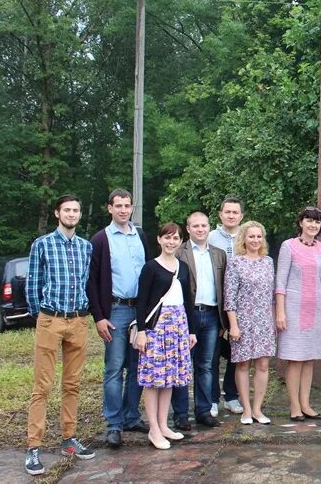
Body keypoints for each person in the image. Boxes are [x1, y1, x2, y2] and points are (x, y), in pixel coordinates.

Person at [25, 195, 95, 475]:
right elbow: (33, 283)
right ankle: (33, 448)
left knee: (73, 384)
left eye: (76, 210)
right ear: (57, 213)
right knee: (42, 385)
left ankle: (69, 438)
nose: (72, 214)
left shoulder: (85, 247)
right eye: (67, 209)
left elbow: (87, 281)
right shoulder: (42, 245)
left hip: (77, 320)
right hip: (50, 318)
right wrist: (41, 315)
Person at [87, 189, 152, 448]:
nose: (124, 210)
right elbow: (91, 281)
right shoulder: (101, 240)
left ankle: (131, 417)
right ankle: (114, 424)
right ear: (109, 208)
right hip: (114, 311)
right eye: (118, 206)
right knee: (114, 368)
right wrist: (99, 317)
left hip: (140, 311)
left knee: (138, 367)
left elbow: (149, 273)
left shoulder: (140, 236)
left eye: (127, 205)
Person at [135, 222, 196, 449]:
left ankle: (163, 424)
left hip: (178, 325)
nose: (171, 242)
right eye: (167, 237)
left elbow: (188, 300)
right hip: (156, 327)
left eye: (175, 238)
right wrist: (141, 331)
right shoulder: (151, 267)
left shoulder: (183, 267)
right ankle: (153, 428)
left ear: (180, 241)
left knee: (169, 377)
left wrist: (191, 330)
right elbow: (141, 301)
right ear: (159, 240)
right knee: (153, 379)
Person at [275, 206, 321, 421]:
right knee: (295, 359)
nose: (313, 225)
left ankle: (306, 404)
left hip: (316, 308)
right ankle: (294, 407)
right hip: (292, 309)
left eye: (317, 222)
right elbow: (280, 282)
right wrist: (280, 312)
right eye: (309, 220)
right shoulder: (288, 246)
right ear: (301, 222)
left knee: (309, 359)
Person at [171, 212, 226, 430]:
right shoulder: (179, 252)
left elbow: (224, 286)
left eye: (204, 225)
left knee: (205, 366)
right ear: (188, 228)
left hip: (212, 315)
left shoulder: (219, 254)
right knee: (183, 365)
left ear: (209, 227)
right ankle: (181, 414)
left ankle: (203, 410)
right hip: (186, 314)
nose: (201, 229)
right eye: (196, 226)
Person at [224, 221, 276, 425]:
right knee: (243, 365)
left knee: (263, 365)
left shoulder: (268, 261)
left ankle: (257, 409)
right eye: (251, 236)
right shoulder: (236, 262)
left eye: (258, 236)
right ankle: (246, 409)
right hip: (243, 321)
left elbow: (271, 295)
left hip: (264, 320)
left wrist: (273, 320)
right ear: (243, 239)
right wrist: (233, 325)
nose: (255, 240)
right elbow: (230, 297)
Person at [207, 197, 245, 416]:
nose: (231, 215)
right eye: (227, 211)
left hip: (241, 305)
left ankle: (231, 396)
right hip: (214, 304)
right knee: (211, 353)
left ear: (241, 216)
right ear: (220, 214)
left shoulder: (247, 236)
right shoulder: (210, 237)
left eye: (235, 212)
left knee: (236, 353)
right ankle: (212, 398)